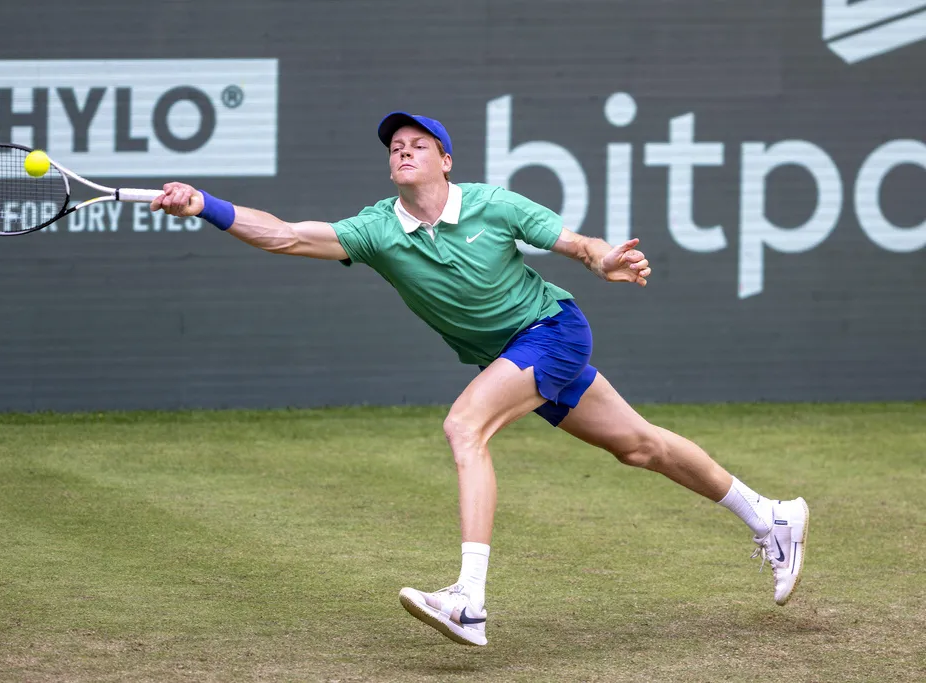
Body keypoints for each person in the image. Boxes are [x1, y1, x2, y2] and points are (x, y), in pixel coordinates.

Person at [151, 111, 810, 647]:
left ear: (446, 160)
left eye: (418, 144)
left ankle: (468, 600)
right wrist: (204, 203)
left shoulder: (493, 205)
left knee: (465, 425)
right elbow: (286, 236)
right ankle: (771, 516)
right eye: (395, 147)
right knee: (641, 446)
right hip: (512, 353)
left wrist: (603, 257)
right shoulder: (378, 229)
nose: (403, 151)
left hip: (552, 331)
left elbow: (577, 245)